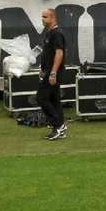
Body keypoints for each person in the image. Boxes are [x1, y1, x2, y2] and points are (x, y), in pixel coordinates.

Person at [38, 8, 67, 141]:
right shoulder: (49, 33)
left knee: (41, 98)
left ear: (53, 18)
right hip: (48, 71)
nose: (43, 19)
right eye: (42, 17)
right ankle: (60, 127)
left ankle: (58, 124)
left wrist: (53, 73)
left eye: (45, 17)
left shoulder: (56, 33)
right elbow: (47, 54)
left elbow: (59, 53)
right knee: (55, 99)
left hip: (54, 72)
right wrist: (43, 69)